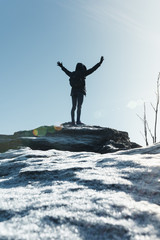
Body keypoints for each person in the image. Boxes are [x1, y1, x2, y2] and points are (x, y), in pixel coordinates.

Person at [57, 56, 104, 125]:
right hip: (80, 91)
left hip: (73, 92)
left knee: (73, 106)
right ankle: (78, 121)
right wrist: (100, 63)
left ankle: (73, 121)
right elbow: (93, 69)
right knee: (79, 106)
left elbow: (66, 71)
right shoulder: (83, 73)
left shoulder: (72, 74)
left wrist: (61, 66)